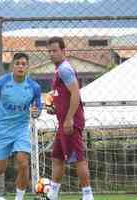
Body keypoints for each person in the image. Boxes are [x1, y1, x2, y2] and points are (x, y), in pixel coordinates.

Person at [0, 52, 42, 200]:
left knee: (23, 163)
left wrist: (36, 111)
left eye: (23, 64)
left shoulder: (34, 87)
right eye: (17, 64)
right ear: (12, 66)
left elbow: (38, 107)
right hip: (1, 129)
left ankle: (19, 197)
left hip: (21, 128)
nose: (20, 67)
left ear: (28, 67)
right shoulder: (0, 83)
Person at [45, 37, 94, 200]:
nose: (51, 54)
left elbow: (75, 93)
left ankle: (88, 196)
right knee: (57, 157)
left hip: (70, 122)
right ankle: (52, 195)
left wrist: (69, 119)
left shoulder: (65, 69)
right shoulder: (59, 70)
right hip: (63, 122)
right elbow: (63, 96)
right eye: (49, 51)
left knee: (78, 158)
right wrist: (54, 108)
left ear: (63, 51)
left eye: (55, 51)